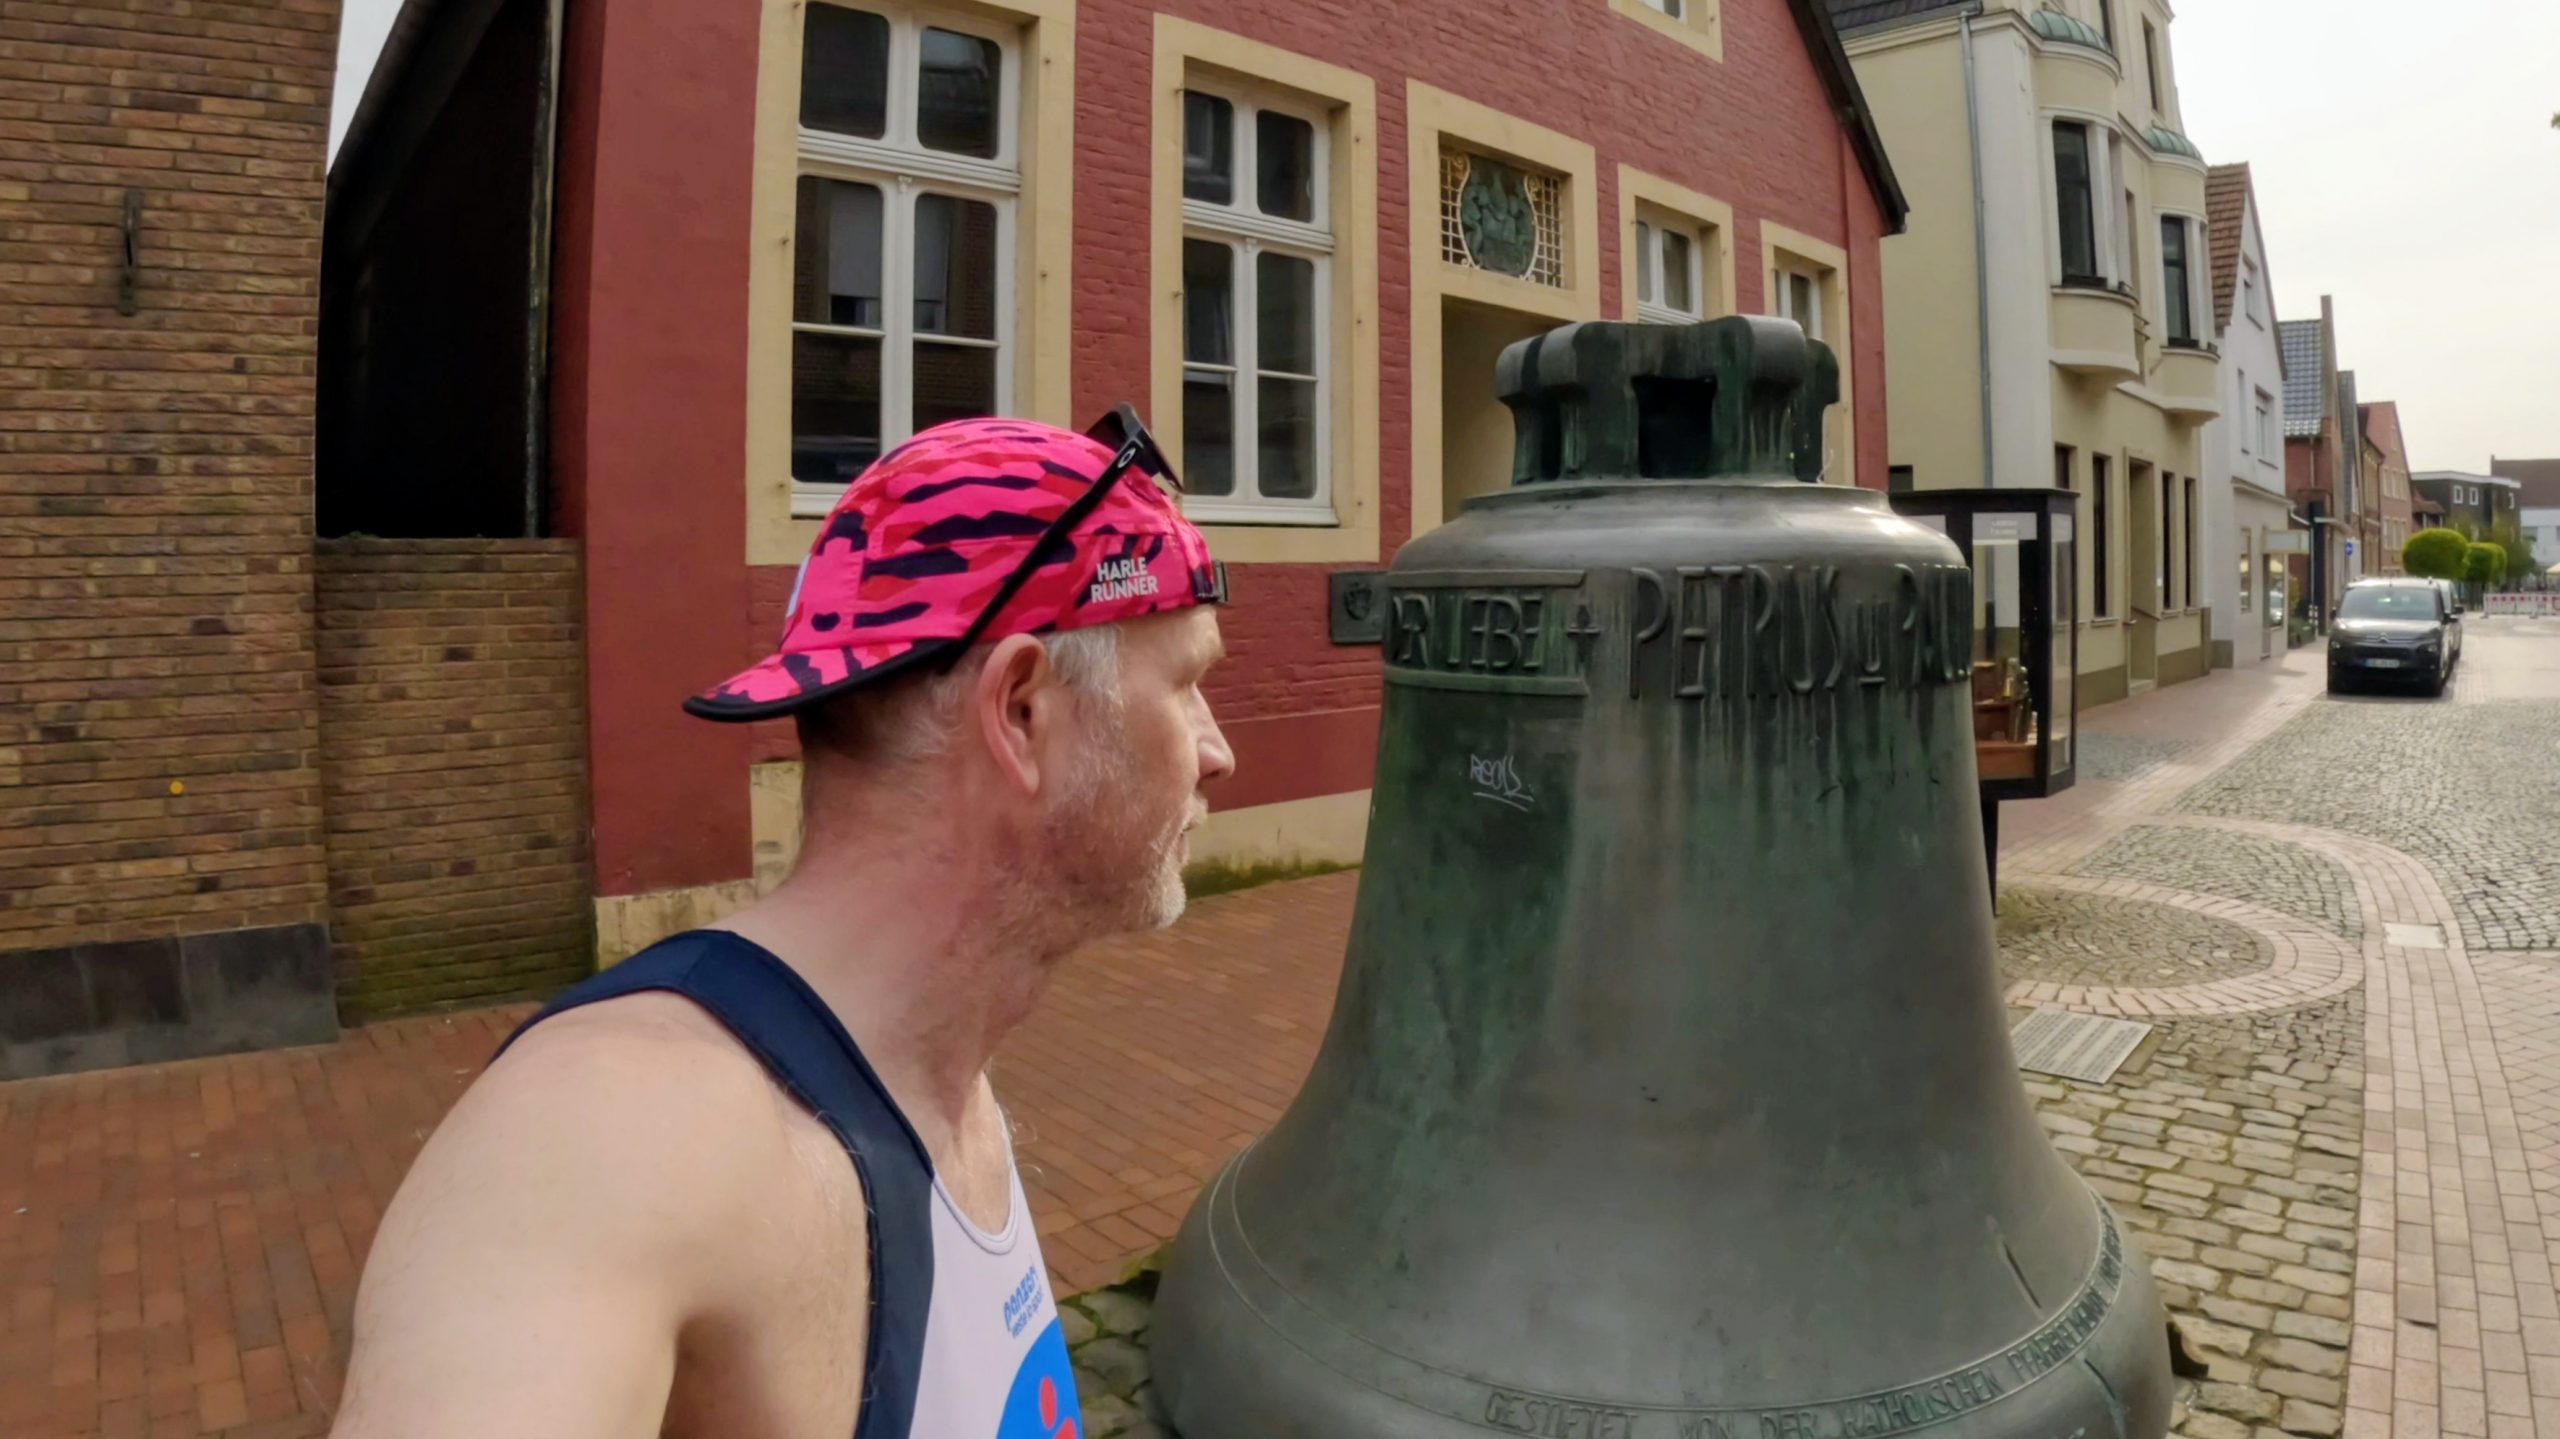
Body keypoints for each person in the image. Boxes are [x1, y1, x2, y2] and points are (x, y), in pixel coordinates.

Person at [331, 411, 1234, 1438]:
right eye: (1190, 684)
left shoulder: (938, 1073)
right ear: (1021, 710)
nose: (1217, 752)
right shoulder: (616, 1132)